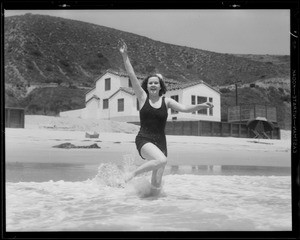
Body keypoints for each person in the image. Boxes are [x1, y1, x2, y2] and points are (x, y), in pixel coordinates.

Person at [118, 39, 214, 190]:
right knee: (161, 160)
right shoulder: (143, 98)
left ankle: (146, 202)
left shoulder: (167, 101)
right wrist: (125, 56)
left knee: (156, 186)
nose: (153, 85)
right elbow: (131, 75)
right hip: (144, 139)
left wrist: (201, 105)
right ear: (147, 86)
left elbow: (185, 108)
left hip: (161, 142)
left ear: (160, 86)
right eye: (150, 83)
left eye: (156, 83)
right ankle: (131, 174)